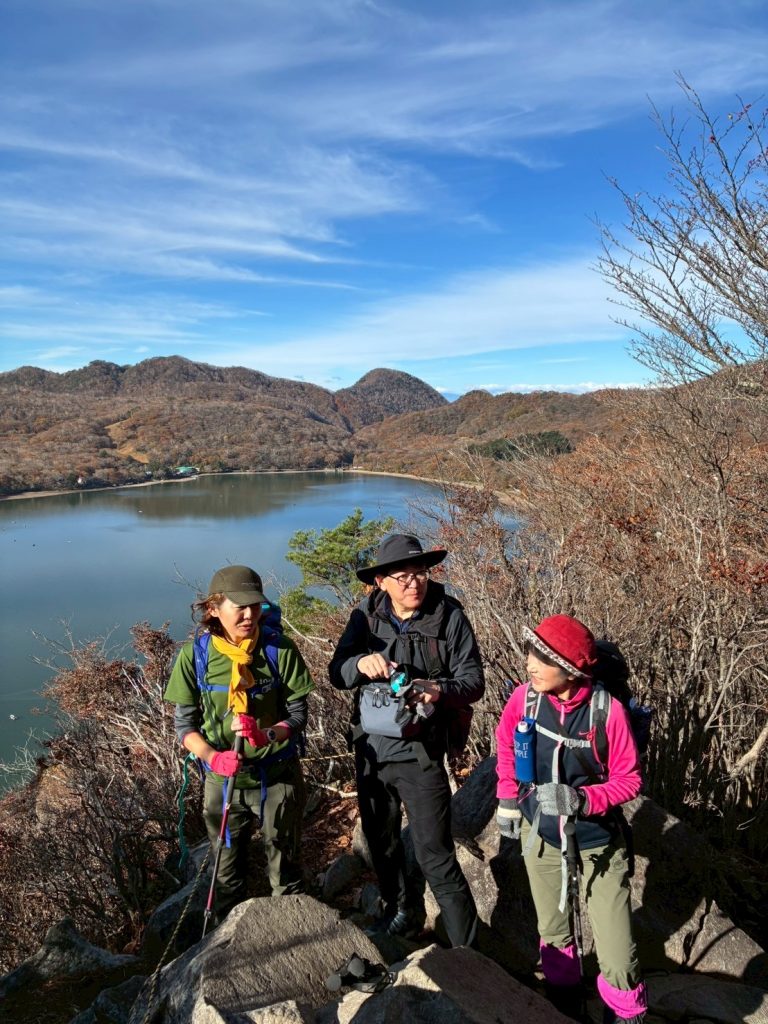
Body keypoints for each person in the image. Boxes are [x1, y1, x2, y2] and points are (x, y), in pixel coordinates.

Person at [329, 533, 484, 947]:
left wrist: (438, 690)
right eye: (403, 576)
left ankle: (467, 951)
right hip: (371, 751)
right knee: (381, 843)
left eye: (421, 573)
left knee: (435, 854)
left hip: (421, 753)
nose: (414, 583)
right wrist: (360, 663)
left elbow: (473, 682)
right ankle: (404, 913)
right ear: (380, 581)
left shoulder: (449, 616)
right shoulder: (364, 616)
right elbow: (336, 672)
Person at [495, 614, 647, 1024]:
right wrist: (507, 799)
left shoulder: (606, 712)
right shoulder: (525, 699)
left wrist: (582, 799)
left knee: (617, 950)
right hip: (542, 834)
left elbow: (630, 780)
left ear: (572, 670)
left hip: (598, 841)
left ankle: (625, 1014)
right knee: (553, 932)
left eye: (543, 659)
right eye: (531, 653)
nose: (530, 664)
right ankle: (564, 1007)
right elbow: (507, 744)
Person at [164, 564, 314, 919]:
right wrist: (213, 757)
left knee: (285, 872)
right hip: (223, 783)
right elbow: (184, 726)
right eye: (239, 607)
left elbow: (297, 714)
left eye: (255, 606)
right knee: (226, 874)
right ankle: (226, 937)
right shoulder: (195, 656)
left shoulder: (278, 649)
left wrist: (266, 735)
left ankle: (295, 933)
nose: (249, 615)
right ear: (214, 608)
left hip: (276, 776)